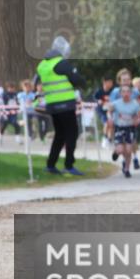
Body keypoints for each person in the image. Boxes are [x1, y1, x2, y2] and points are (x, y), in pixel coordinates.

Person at [33, 36, 86, 175]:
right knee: (72, 133)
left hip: (52, 104)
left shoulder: (43, 65)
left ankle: (51, 165)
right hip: (65, 104)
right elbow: (77, 79)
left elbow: (36, 84)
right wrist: (81, 83)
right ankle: (69, 165)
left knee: (60, 134)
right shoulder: (61, 63)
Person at [109, 84, 140, 178]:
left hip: (130, 128)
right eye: (123, 92)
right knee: (121, 150)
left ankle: (127, 169)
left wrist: (137, 120)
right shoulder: (116, 103)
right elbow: (109, 111)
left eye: (128, 92)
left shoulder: (135, 104)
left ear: (131, 93)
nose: (126, 94)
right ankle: (116, 152)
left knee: (128, 150)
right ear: (120, 93)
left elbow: (139, 115)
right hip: (119, 127)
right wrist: (110, 118)